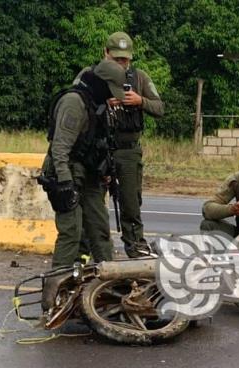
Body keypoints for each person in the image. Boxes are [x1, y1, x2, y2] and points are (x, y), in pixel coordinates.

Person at [40, 66, 125, 268]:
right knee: (72, 232)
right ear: (102, 84)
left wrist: (105, 171)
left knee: (100, 230)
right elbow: (60, 148)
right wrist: (65, 183)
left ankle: (109, 283)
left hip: (89, 174)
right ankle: (56, 286)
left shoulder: (97, 104)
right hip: (66, 173)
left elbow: (97, 142)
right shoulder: (74, 103)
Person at [99, 31, 164, 258]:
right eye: (116, 58)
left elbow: (160, 108)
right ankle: (94, 249)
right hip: (98, 147)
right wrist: (102, 102)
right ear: (105, 53)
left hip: (128, 149)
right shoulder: (93, 76)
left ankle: (135, 247)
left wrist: (140, 101)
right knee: (93, 202)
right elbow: (74, 101)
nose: (121, 63)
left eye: (124, 59)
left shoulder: (140, 78)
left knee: (130, 203)